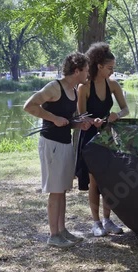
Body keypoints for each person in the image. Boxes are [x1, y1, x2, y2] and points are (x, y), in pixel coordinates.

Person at [23, 52, 92, 248]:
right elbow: (29, 106)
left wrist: (79, 125)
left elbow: (67, 121)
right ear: (77, 70)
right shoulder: (54, 87)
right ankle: (53, 235)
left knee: (62, 188)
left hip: (65, 143)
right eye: (86, 70)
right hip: (51, 143)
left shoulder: (75, 90)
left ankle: (62, 230)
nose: (87, 73)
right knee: (55, 190)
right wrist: (52, 118)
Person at [75, 42, 129, 237]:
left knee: (109, 179)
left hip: (108, 135)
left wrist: (116, 115)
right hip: (90, 137)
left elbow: (125, 109)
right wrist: (91, 120)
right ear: (98, 66)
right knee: (94, 180)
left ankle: (108, 220)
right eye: (110, 68)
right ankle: (96, 222)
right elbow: (81, 117)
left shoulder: (112, 84)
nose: (112, 71)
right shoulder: (84, 87)